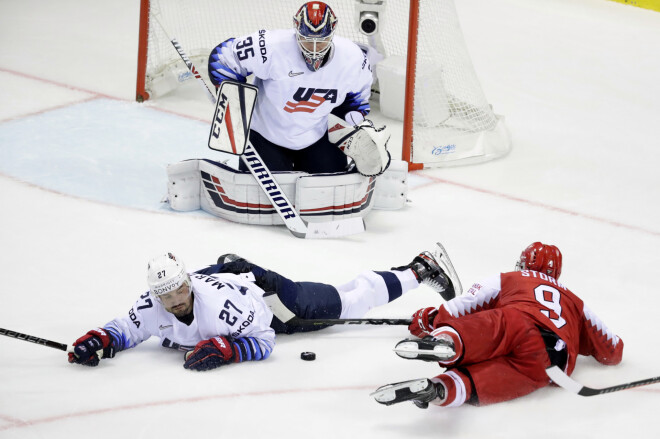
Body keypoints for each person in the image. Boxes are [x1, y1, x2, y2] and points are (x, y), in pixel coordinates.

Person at [68, 249, 456, 371]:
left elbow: (266, 337)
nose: (175, 301)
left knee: (346, 301)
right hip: (233, 282)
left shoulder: (223, 309)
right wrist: (104, 338)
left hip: (269, 298)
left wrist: (231, 350)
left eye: (180, 290)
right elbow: (129, 327)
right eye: (166, 296)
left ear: (188, 281)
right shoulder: (153, 304)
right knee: (345, 297)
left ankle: (420, 269)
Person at [372, 242, 624, 408]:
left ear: (524, 263)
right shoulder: (575, 301)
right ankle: (440, 390)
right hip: (550, 363)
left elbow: (462, 305)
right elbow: (612, 351)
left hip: (518, 323)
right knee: (483, 381)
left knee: (482, 328)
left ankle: (447, 343)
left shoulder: (511, 278)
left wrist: (431, 319)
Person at [207, 1, 376, 174]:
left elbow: (356, 101)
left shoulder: (353, 59)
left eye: (322, 41)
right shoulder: (270, 46)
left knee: (329, 193)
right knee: (256, 198)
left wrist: (357, 131)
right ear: (296, 30)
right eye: (308, 40)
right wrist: (232, 105)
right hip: (266, 136)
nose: (315, 49)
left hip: (317, 136)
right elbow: (224, 57)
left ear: (332, 32)